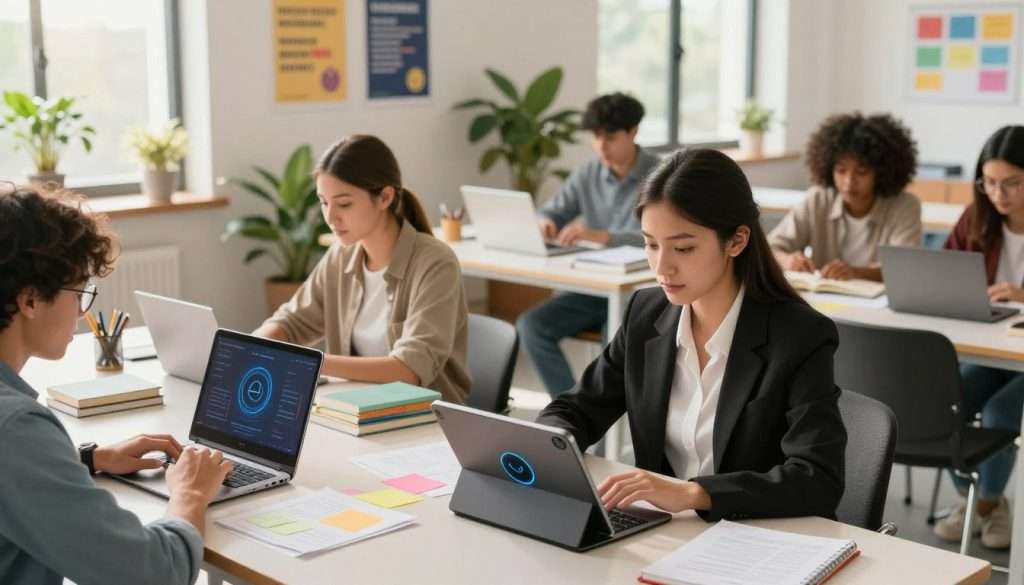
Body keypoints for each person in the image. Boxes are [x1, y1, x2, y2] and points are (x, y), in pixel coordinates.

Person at [537, 149, 847, 520]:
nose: (662, 266)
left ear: (736, 241)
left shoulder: (799, 336)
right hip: (665, 532)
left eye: (683, 248)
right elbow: (576, 408)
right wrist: (546, 446)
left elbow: (817, 479)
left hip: (757, 539)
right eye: (651, 244)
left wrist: (695, 494)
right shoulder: (645, 314)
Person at [0, 186, 232, 585]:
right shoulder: (16, 428)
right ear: (31, 301)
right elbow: (152, 574)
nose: (80, 310)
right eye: (78, 294)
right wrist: (190, 493)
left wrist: (89, 460)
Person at [254, 135, 471, 403]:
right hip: (353, 411)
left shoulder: (436, 263)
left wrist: (312, 362)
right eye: (323, 202)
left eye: (344, 204)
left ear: (385, 197)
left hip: (425, 421)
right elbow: (291, 322)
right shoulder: (340, 257)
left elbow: (408, 370)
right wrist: (255, 345)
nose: (330, 217)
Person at [518, 92, 660, 398]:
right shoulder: (588, 173)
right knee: (531, 326)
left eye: (610, 137)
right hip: (593, 289)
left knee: (616, 346)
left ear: (633, 132)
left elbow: (663, 239)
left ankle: (607, 430)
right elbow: (552, 209)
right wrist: (544, 221)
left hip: (637, 293)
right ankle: (572, 409)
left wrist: (603, 236)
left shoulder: (660, 176)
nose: (601, 146)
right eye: (596, 137)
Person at [934, 125, 1024, 549]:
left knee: (1000, 412)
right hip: (990, 347)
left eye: (1011, 183)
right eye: (989, 182)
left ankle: (985, 503)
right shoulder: (976, 217)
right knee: (941, 403)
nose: (998, 193)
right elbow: (947, 274)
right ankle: (980, 500)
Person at [769, 112, 921, 281]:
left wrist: (856, 273)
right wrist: (787, 260)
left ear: (881, 172)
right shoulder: (818, 199)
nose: (849, 182)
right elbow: (769, 248)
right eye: (841, 171)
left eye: (861, 172)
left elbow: (904, 268)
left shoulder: (905, 207)